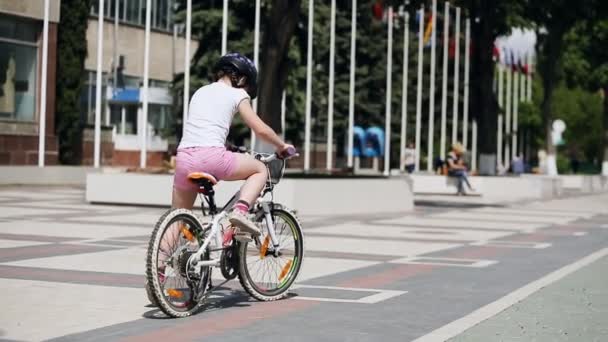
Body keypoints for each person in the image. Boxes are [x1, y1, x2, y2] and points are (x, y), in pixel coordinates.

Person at [173, 53, 294, 236]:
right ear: (242, 78)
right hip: (212, 157)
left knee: (177, 220)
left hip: (183, 158)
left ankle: (159, 262)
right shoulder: (238, 93)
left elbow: (204, 129)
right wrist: (281, 145)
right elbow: (259, 129)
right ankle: (240, 211)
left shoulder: (200, 91)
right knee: (260, 169)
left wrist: (228, 146)